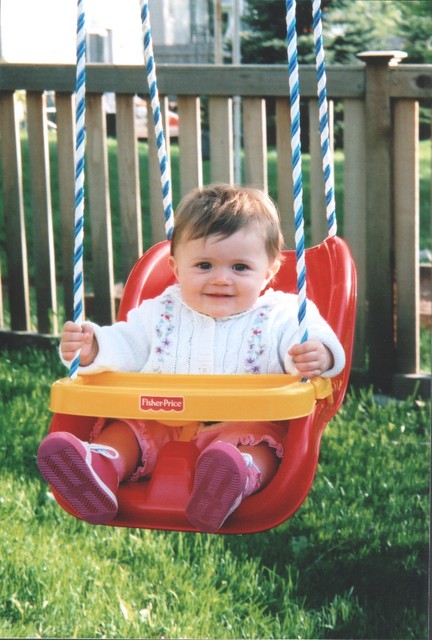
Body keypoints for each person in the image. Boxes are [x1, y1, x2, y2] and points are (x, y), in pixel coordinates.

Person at [38, 183, 345, 533]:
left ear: (271, 271)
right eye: (203, 265)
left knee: (259, 443)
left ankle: (232, 480)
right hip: (163, 419)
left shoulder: (284, 313)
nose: (220, 279)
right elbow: (126, 343)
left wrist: (316, 354)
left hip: (239, 426)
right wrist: (94, 347)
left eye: (240, 267)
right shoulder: (163, 311)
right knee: (129, 428)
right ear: (176, 267)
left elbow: (317, 340)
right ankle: (99, 468)